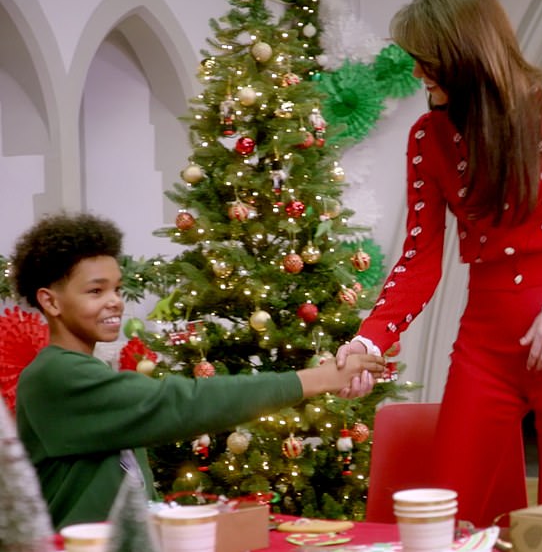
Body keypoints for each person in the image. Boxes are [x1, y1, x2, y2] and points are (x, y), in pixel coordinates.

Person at [336, 0, 542, 527]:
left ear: (466, 54)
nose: (419, 73)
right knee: (443, 513)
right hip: (484, 349)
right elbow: (419, 258)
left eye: (427, 60)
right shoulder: (429, 136)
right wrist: (368, 337)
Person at [11, 211, 384, 530]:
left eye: (117, 289)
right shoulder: (54, 376)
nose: (114, 302)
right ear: (50, 301)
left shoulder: (83, 371)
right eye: (95, 291)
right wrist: (317, 379)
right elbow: (180, 403)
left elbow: (132, 483)